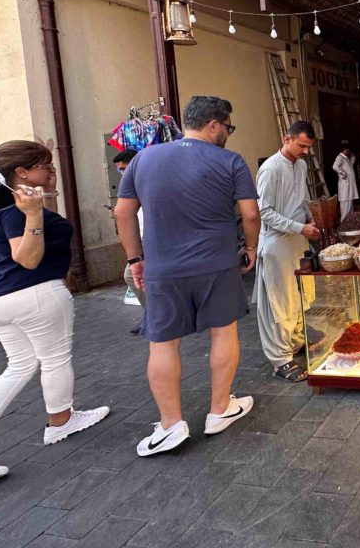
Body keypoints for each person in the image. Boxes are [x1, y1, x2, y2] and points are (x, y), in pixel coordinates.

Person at [114, 96, 259, 456]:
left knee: (163, 343)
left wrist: (135, 259)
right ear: (214, 125)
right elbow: (251, 214)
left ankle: (170, 426)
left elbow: (123, 213)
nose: (228, 133)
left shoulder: (144, 159)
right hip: (217, 263)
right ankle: (220, 409)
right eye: (228, 126)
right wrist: (252, 247)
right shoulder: (230, 161)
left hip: (163, 269)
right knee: (223, 332)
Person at [0, 142, 109, 483]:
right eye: (44, 165)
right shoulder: (18, 205)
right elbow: (28, 257)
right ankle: (61, 421)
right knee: (54, 359)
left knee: (19, 367)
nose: (52, 171)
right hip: (31, 292)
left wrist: (43, 200)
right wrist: (34, 214)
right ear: (21, 172)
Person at [254, 121, 321, 383]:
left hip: (297, 238)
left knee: (302, 295)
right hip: (276, 242)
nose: (305, 151)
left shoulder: (301, 165)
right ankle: (280, 360)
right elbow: (264, 212)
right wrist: (299, 227)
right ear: (287, 138)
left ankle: (295, 341)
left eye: (308, 147)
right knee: (281, 300)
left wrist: (310, 220)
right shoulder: (270, 168)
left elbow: (301, 199)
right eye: (301, 145)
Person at [113, 149, 145, 328]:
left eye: (123, 168)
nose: (121, 173)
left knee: (132, 276)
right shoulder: (131, 185)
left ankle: (156, 316)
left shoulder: (143, 182)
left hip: (148, 242)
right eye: (119, 170)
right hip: (140, 242)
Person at [333, 142, 359, 220]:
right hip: (345, 186)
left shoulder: (346, 158)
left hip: (349, 186)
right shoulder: (339, 157)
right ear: (345, 150)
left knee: (350, 204)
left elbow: (352, 162)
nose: (349, 151)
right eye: (348, 150)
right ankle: (343, 222)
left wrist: (352, 155)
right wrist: (342, 173)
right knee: (345, 205)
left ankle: (349, 222)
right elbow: (335, 166)